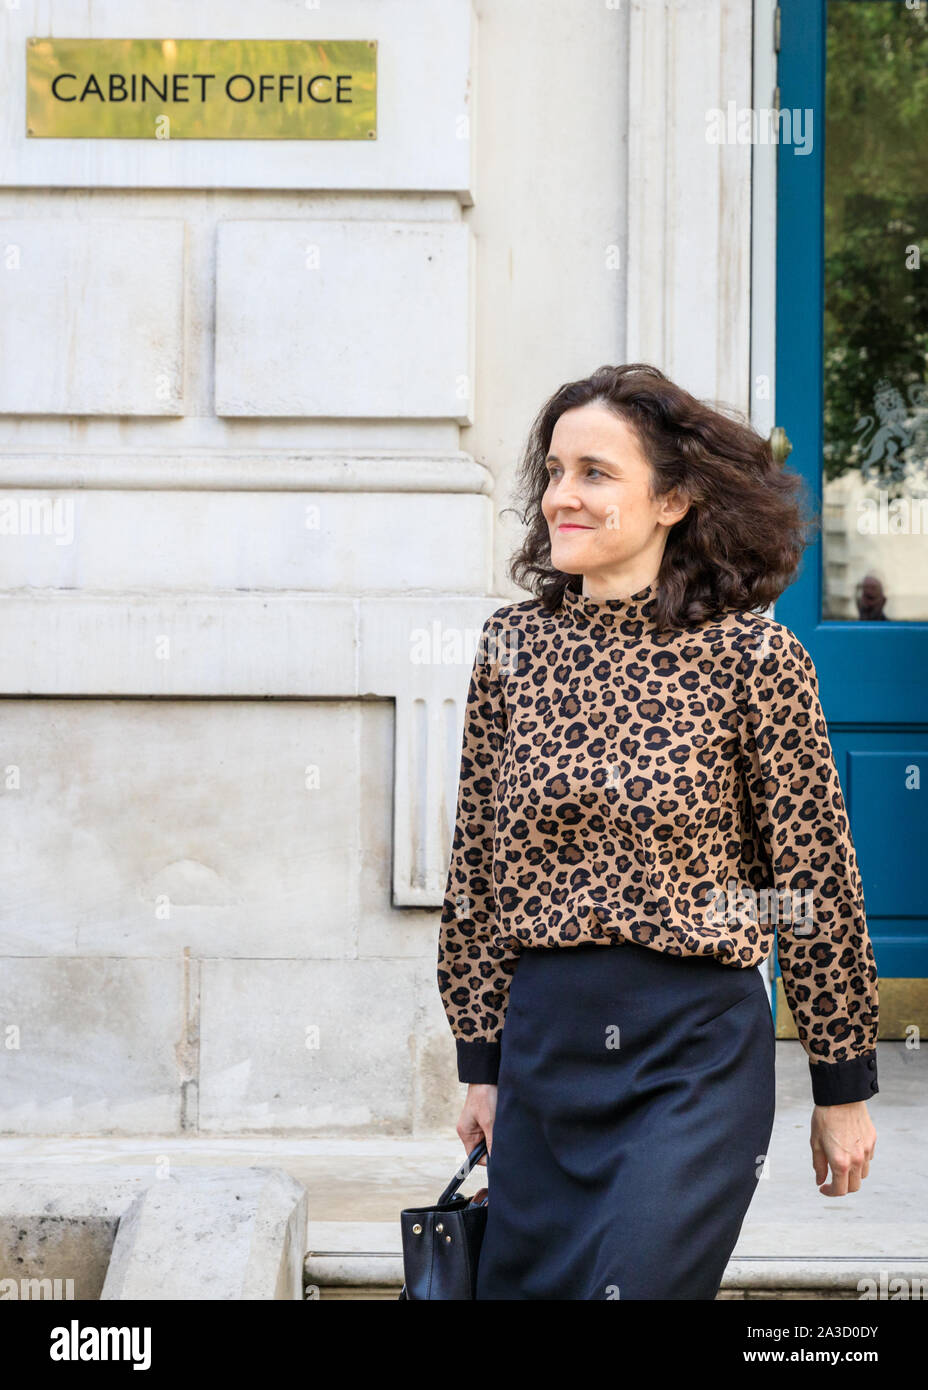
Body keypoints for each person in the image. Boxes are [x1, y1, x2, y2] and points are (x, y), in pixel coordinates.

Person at [436, 363, 879, 1300]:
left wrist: (841, 1085)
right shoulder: (510, 650)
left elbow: (814, 885)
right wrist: (483, 1063)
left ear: (673, 498)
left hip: (693, 1055)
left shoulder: (755, 657)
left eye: (595, 473)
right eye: (553, 472)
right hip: (546, 1053)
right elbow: (476, 875)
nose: (562, 496)